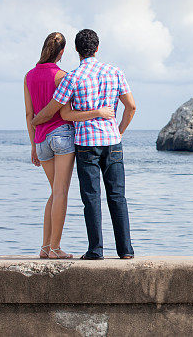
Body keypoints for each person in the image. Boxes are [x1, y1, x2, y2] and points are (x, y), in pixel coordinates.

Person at [32, 29, 137, 259]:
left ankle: (95, 250)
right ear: (97, 48)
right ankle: (126, 250)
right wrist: (118, 131)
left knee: (91, 198)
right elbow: (131, 107)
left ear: (77, 50)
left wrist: (35, 121)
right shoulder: (115, 72)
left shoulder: (73, 77)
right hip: (113, 143)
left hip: (86, 144)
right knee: (117, 196)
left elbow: (63, 113)